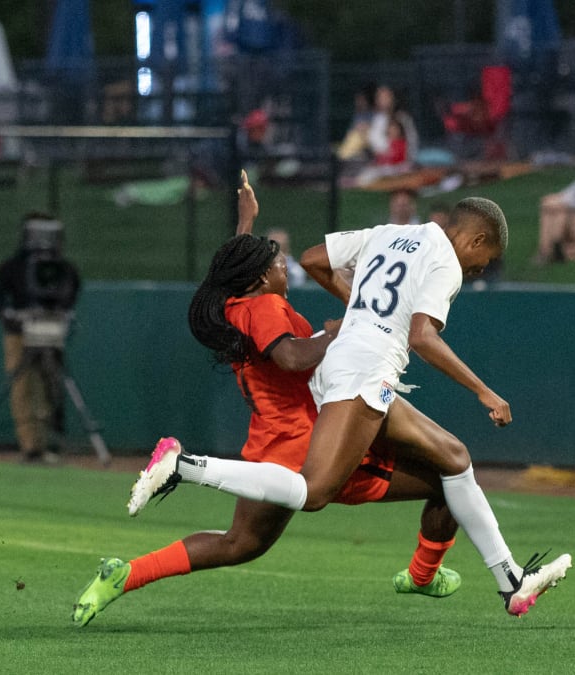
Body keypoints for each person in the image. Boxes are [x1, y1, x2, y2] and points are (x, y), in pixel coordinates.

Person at [126, 196, 571, 617]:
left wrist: (362, 309)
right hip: (364, 372)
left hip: (346, 363)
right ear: (475, 240)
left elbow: (316, 259)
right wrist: (484, 392)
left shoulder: (391, 232)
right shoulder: (446, 263)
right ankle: (185, 467)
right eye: (486, 258)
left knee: (453, 459)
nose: (481, 268)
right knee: (314, 492)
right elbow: (422, 336)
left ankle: (509, 580)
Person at [72, 172, 464, 626]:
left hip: (271, 444)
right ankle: (423, 574)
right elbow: (294, 358)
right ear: (262, 277)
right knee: (448, 478)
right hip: (311, 441)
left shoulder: (237, 304)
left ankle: (126, 574)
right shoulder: (265, 308)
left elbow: (238, 272)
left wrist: (246, 222)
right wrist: (336, 333)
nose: (286, 267)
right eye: (279, 263)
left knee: (239, 543)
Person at [0, 213, 81, 464]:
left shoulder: (62, 268)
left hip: (50, 332)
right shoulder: (13, 266)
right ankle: (31, 447)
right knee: (23, 387)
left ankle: (50, 442)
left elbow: (70, 292)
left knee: (50, 386)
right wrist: (8, 315)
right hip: (19, 334)